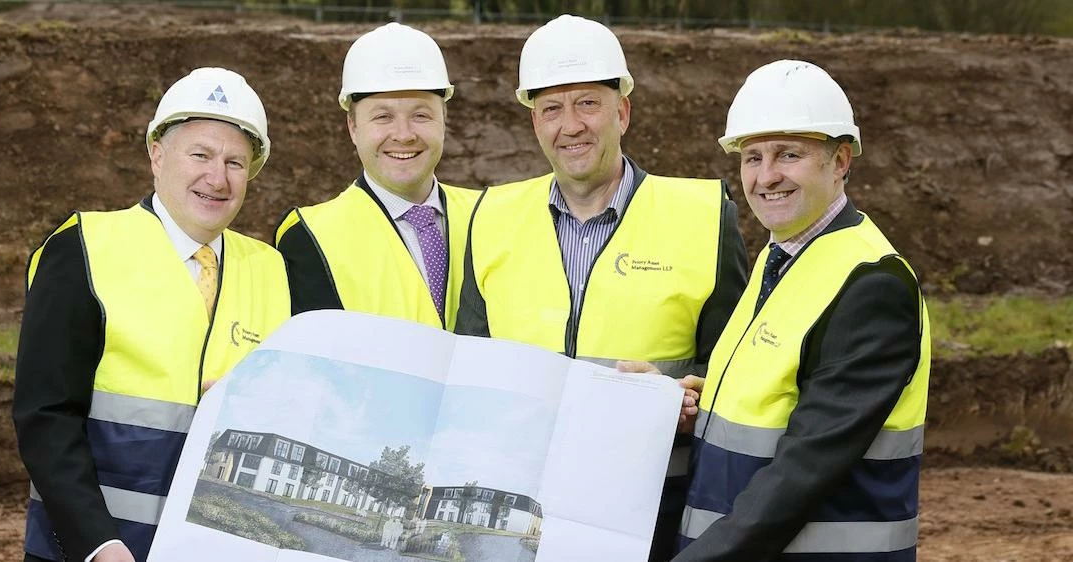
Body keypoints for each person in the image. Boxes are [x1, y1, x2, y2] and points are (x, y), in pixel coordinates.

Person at [453, 15, 748, 560]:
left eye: (588, 103)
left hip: (654, 509)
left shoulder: (704, 217)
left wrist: (679, 394)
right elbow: (470, 367)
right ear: (535, 123)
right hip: (519, 509)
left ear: (623, 113)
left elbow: (737, 370)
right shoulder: (491, 217)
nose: (571, 125)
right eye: (552, 109)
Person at [12, 67, 291, 562]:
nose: (217, 178)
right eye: (200, 155)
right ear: (157, 155)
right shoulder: (84, 247)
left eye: (235, 162)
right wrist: (97, 543)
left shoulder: (272, 270)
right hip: (94, 550)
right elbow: (46, 415)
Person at [673, 60, 930, 561]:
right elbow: (778, 397)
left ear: (841, 160)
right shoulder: (782, 255)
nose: (766, 176)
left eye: (788, 154)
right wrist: (691, 402)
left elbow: (802, 472)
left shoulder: (872, 285)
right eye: (752, 157)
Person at [274, 23, 480, 330]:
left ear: (443, 120)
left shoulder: (489, 218)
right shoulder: (307, 237)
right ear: (353, 127)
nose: (404, 135)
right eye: (383, 117)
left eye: (420, 115)